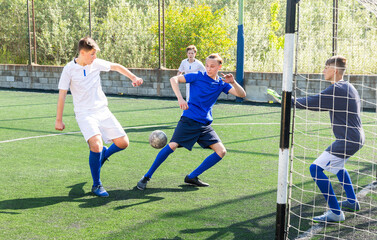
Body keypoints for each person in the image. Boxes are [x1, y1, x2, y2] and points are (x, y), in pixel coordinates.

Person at [137, 53, 246, 190]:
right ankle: (146, 177)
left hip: (204, 125)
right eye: (207, 65)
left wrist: (233, 82)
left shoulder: (221, 84)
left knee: (221, 151)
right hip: (189, 119)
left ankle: (192, 176)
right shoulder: (197, 76)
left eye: (212, 66)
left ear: (219, 66)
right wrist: (180, 98)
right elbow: (173, 79)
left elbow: (242, 95)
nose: (208, 68)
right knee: (172, 145)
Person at [55, 37, 143, 197]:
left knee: (123, 143)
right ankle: (97, 185)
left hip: (102, 110)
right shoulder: (68, 69)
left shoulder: (95, 63)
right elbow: (62, 95)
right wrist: (58, 119)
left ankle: (103, 155)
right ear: (83, 52)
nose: (94, 57)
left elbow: (116, 66)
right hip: (84, 113)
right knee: (96, 144)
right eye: (92, 54)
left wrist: (134, 78)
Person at [293, 56, 365, 222]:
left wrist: (288, 101)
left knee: (315, 169)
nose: (323, 71)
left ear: (334, 70)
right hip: (356, 137)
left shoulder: (337, 89)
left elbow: (313, 101)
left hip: (348, 139)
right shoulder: (347, 86)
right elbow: (320, 103)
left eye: (326, 68)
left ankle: (335, 213)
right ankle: (352, 201)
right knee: (339, 166)